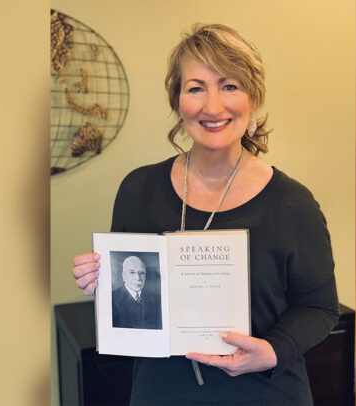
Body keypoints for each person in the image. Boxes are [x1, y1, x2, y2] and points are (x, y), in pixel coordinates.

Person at [71, 23, 339, 405]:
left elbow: (320, 307)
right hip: (161, 395)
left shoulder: (293, 204)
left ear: (253, 97)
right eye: (196, 88)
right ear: (178, 101)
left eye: (229, 86)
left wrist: (273, 350)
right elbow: (131, 296)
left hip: (265, 395)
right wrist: (101, 279)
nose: (212, 107)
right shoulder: (138, 190)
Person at [111, 255, 161, 329]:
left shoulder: (156, 299)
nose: (138, 278)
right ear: (123, 276)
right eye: (132, 272)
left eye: (142, 273)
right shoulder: (112, 298)